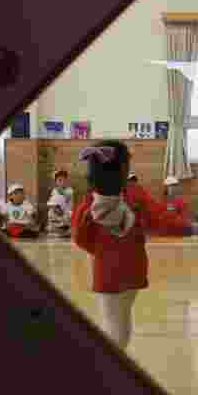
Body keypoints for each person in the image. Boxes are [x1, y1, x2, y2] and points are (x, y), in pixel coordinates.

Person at [72, 142, 151, 349]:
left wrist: (99, 252)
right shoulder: (136, 193)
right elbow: (156, 217)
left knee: (112, 322)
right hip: (135, 267)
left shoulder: (88, 203)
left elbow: (79, 238)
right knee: (122, 318)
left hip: (107, 272)